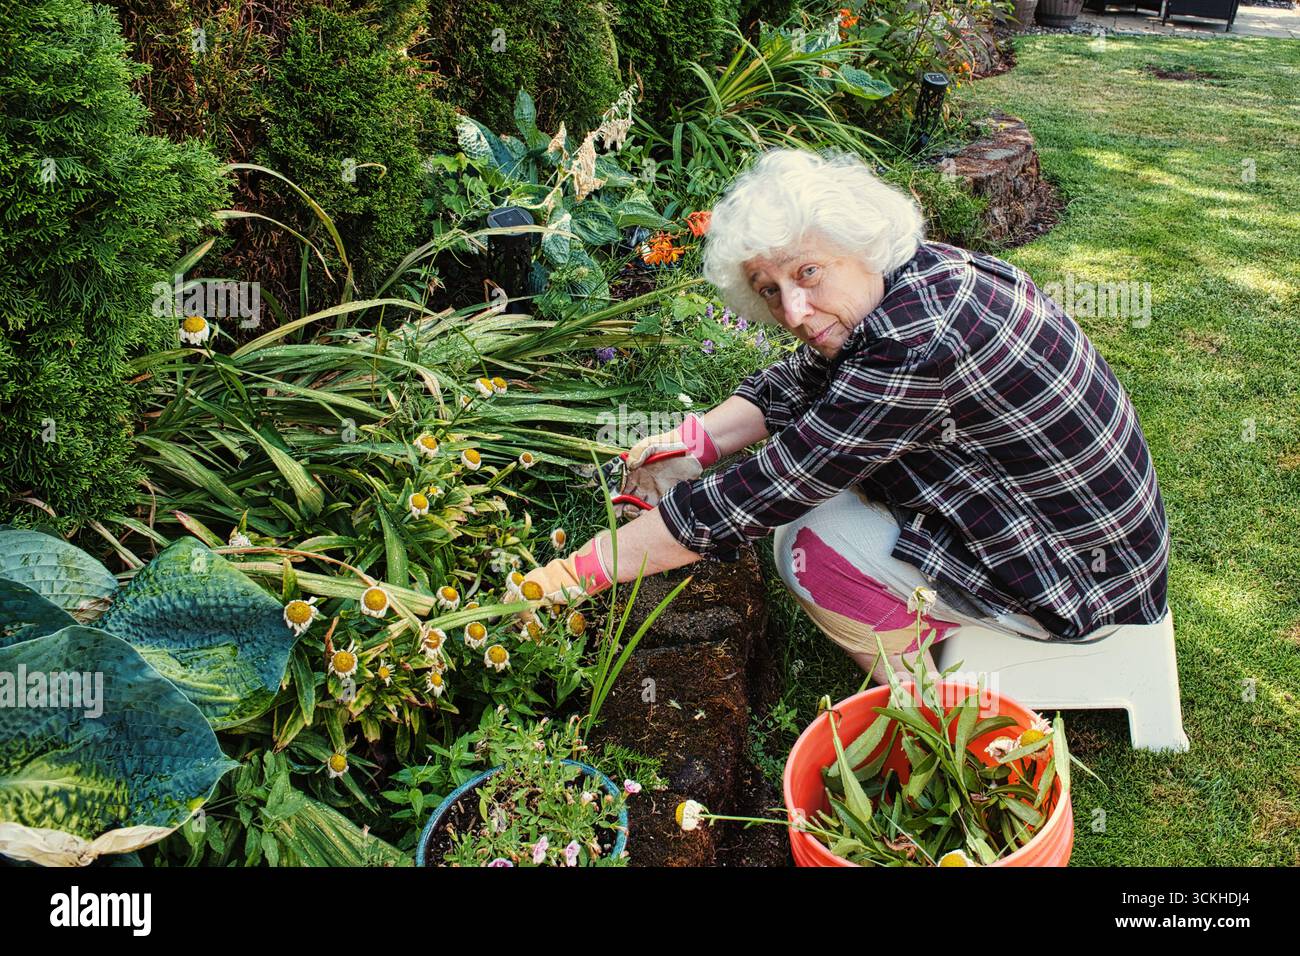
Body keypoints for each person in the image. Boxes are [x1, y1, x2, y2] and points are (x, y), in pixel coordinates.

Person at [520, 147, 1170, 686]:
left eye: (807, 273)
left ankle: (926, 712)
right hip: (1096, 545)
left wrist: (568, 576)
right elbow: (798, 382)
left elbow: (764, 491)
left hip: (1080, 585)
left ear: (856, 245)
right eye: (771, 290)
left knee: (811, 546)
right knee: (833, 497)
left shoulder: (914, 346)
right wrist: (691, 444)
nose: (794, 311)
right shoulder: (919, 276)